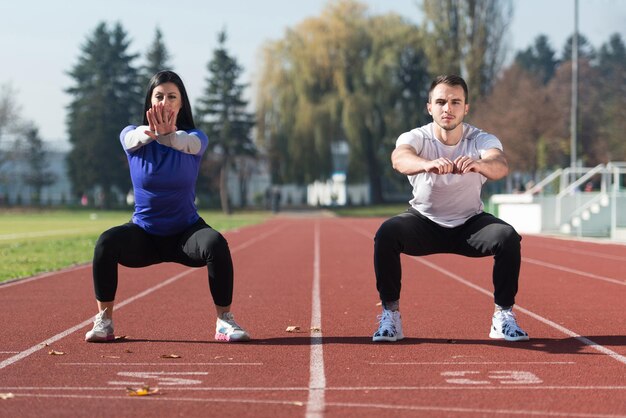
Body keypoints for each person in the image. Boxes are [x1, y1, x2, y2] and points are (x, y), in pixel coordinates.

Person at [85, 70, 250, 343]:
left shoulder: (196, 139)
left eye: (172, 97)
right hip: (144, 235)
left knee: (216, 244)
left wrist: (168, 136)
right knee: (106, 242)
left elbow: (185, 142)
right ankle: (105, 320)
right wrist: (153, 133)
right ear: (149, 103)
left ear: (181, 103)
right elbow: (130, 138)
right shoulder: (132, 138)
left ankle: (224, 321)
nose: (165, 102)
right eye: (159, 96)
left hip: (185, 234)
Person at [372, 74, 528, 343]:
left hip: (469, 224)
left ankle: (503, 317)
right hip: (424, 222)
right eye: (441, 101)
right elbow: (399, 158)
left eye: (456, 102)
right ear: (429, 107)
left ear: (466, 108)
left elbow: (500, 164)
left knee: (507, 237)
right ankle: (391, 317)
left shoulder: (480, 139)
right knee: (387, 233)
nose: (448, 108)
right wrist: (425, 164)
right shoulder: (417, 137)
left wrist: (480, 165)